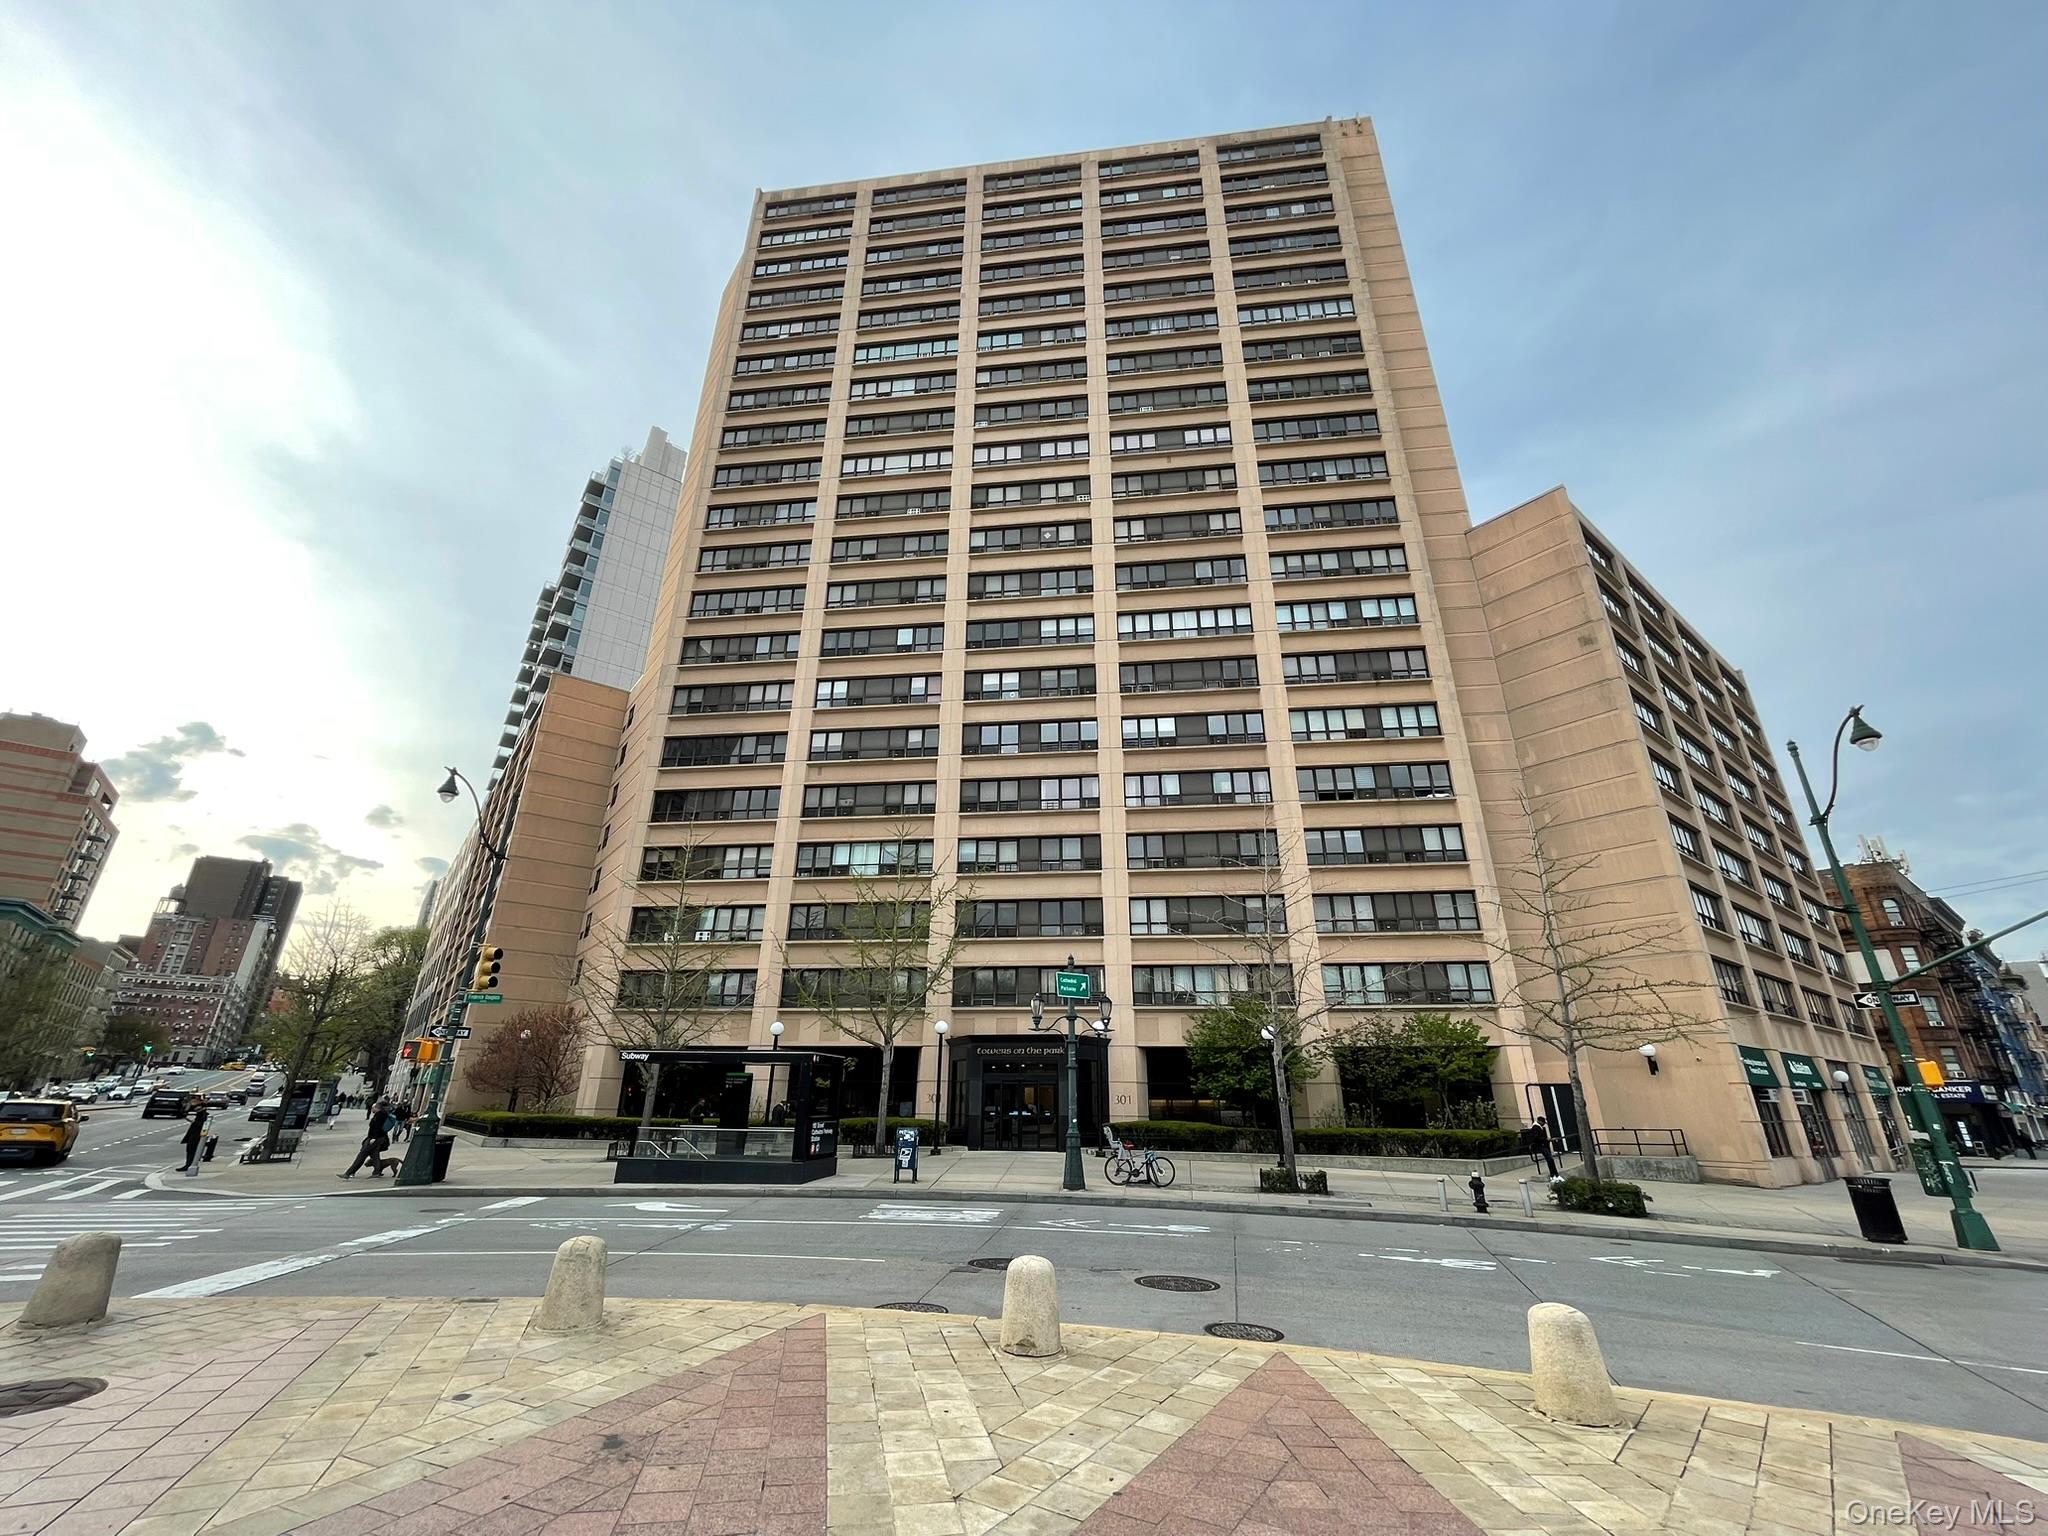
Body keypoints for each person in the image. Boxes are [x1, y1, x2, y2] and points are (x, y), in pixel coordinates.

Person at [340, 1112, 394, 1179]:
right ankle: (376, 1172)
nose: (372, 1109)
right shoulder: (383, 1115)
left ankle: (349, 1172)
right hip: (378, 1138)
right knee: (374, 1155)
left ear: (378, 1108)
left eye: (373, 1107)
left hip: (375, 1139)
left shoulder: (380, 1116)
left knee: (362, 1155)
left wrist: (374, 1138)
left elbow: (377, 1127)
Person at [180, 1104, 210, 1174]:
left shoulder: (203, 1115)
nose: (196, 1108)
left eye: (198, 1107)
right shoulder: (200, 1114)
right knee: (190, 1150)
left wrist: (193, 1121)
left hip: (196, 1136)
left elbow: (202, 1125)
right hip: (193, 1135)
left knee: (192, 1151)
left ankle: (189, 1165)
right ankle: (188, 1164)